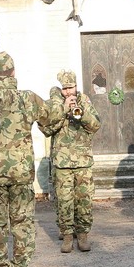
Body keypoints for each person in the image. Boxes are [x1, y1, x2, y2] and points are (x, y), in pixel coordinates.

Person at [0, 52, 51, 267]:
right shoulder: (28, 99)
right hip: (21, 173)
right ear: (13, 73)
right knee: (22, 224)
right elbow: (51, 119)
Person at [43, 71, 100, 252]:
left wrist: (81, 114)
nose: (68, 92)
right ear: (61, 89)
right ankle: (67, 236)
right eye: (65, 89)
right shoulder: (54, 104)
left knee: (84, 200)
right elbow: (46, 128)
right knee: (64, 201)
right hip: (62, 162)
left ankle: (82, 236)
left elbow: (95, 125)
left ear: (76, 86)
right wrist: (63, 110)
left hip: (83, 162)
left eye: (71, 88)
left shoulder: (85, 101)